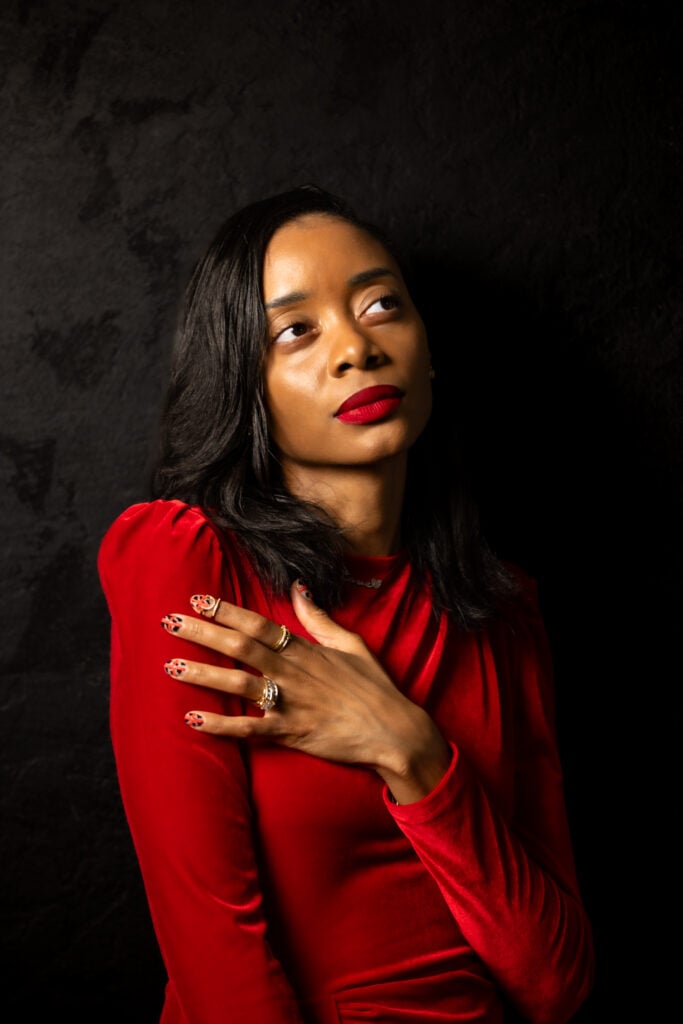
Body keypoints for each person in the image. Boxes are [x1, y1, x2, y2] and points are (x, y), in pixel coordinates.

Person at [97, 184, 595, 1024]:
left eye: (380, 306)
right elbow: (213, 959)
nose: (356, 349)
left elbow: (555, 982)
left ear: (427, 350)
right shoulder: (187, 560)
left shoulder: (498, 609)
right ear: (241, 385)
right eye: (296, 330)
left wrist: (412, 752)